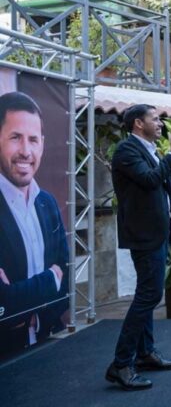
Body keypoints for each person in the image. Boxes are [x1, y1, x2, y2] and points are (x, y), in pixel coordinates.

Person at [108, 104, 171, 390]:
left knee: (148, 294)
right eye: (155, 119)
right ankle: (121, 364)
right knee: (148, 295)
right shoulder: (127, 151)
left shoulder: (148, 150)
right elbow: (151, 179)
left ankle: (145, 353)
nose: (161, 124)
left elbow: (160, 186)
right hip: (144, 234)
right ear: (139, 124)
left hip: (158, 233)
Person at [0, 92, 68, 357]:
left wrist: (27, 309)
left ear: (42, 144)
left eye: (33, 140)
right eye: (15, 138)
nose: (26, 152)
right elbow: (3, 305)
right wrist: (49, 279)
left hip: (47, 344)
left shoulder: (47, 202)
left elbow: (66, 279)